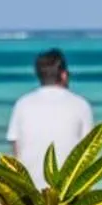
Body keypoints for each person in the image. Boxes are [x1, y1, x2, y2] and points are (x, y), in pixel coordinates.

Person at [6, 48, 95, 187]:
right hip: (67, 191)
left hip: (29, 190)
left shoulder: (22, 104)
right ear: (64, 75)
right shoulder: (81, 105)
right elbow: (89, 152)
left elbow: (16, 151)